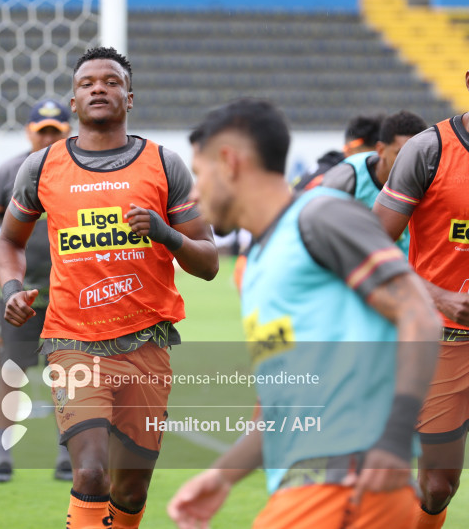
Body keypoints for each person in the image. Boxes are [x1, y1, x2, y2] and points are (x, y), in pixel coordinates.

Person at [167, 98, 441, 529]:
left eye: (198, 174)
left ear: (230, 162)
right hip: (308, 488)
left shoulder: (320, 215)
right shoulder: (255, 264)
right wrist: (222, 477)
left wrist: (393, 439)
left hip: (347, 482)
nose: (194, 193)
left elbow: (419, 315)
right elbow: (280, 408)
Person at [0, 46, 219, 528]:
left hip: (147, 343)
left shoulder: (164, 165)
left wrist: (165, 233)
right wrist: (11, 286)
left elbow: (209, 263)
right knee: (91, 472)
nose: (99, 88)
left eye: (112, 81)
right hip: (72, 341)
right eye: (87, 83)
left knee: (131, 489)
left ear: (129, 97)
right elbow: (8, 240)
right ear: (74, 101)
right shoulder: (42, 167)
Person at [373, 71, 469, 529]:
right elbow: (371, 246)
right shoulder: (430, 150)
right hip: (444, 339)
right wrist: (440, 296)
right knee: (437, 485)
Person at [0, 98, 73, 483]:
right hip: (18, 295)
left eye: (55, 132)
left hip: (68, 296)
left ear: (67, 133)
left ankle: (67, 455)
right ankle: (3, 455)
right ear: (29, 132)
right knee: (11, 373)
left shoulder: (79, 172)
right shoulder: (9, 172)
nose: (48, 138)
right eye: (42, 131)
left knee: (65, 375)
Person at [322, 110, 427, 255]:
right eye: (400, 153)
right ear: (381, 150)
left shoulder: (430, 179)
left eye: (417, 155)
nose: (410, 162)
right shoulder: (346, 178)